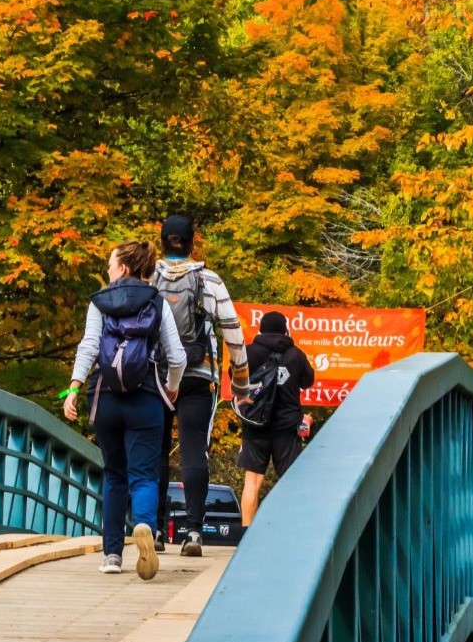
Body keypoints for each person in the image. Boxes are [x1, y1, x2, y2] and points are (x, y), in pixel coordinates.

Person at [63, 240, 186, 579]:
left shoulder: (100, 303)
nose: (107, 269)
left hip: (106, 397)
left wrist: (74, 386)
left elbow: (89, 345)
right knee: (144, 474)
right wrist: (172, 387)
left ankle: (112, 554)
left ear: (125, 268)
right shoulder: (156, 302)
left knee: (114, 473)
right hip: (145, 396)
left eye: (110, 264)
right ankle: (145, 526)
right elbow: (176, 357)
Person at [153, 214, 249, 557]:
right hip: (198, 375)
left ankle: (154, 530)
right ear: (192, 243)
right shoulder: (208, 280)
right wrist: (240, 384)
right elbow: (233, 333)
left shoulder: (149, 278)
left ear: (162, 241)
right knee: (194, 451)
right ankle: (194, 531)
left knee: (156, 452)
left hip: (157, 376)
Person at [237, 310, 314, 526]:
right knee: (290, 482)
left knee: (252, 481)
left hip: (256, 425)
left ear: (261, 329)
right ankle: (290, 529)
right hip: (286, 429)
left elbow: (237, 382)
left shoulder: (249, 353)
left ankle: (246, 534)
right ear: (284, 329)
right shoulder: (295, 354)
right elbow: (308, 381)